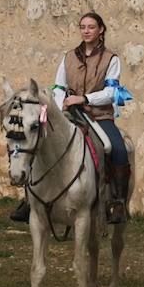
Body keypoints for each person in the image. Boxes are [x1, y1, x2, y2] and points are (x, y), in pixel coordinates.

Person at [52, 12, 133, 224]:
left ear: (101, 30)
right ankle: (32, 198)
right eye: (83, 27)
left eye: (91, 27)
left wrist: (84, 98)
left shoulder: (111, 59)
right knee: (40, 138)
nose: (86, 31)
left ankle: (118, 202)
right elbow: (58, 86)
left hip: (99, 116)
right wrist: (62, 103)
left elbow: (111, 92)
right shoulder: (68, 57)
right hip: (69, 114)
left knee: (117, 149)